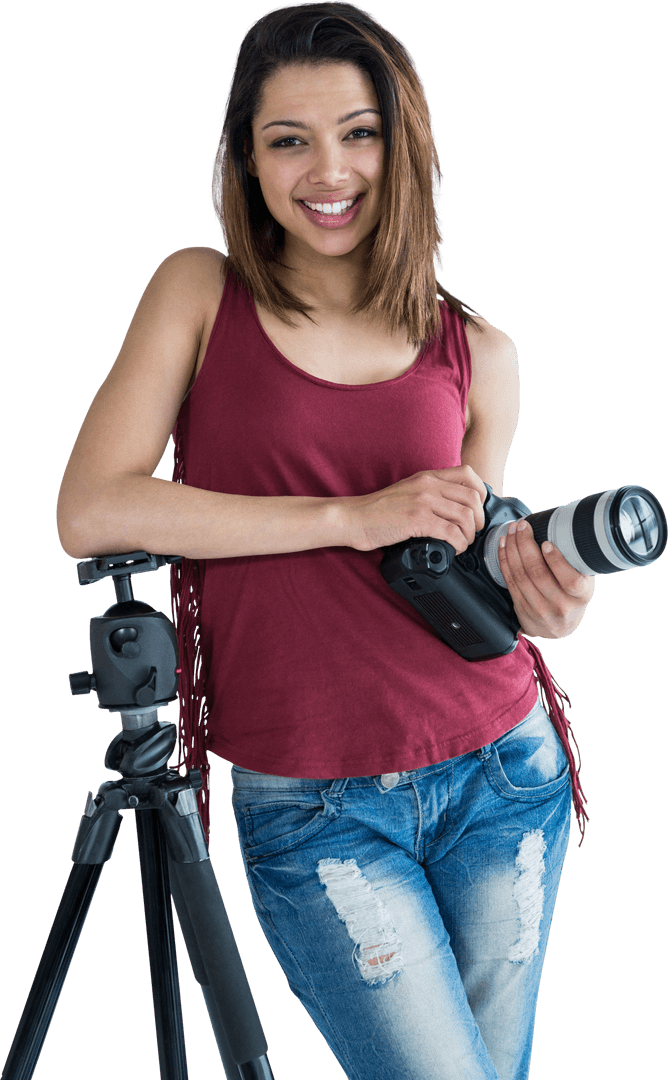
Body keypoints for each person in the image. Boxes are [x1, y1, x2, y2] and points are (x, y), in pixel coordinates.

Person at [56, 3, 595, 1077]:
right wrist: (352, 516)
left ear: (404, 147)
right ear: (246, 160)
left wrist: (547, 596)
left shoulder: (480, 350)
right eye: (287, 140)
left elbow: (467, 569)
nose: (328, 170)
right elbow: (92, 508)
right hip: (316, 807)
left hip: (502, 771)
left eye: (359, 132)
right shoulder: (198, 294)